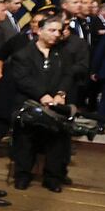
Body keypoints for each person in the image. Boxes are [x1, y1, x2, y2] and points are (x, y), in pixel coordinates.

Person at [9, 14, 75, 191]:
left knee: (56, 142)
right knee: (25, 142)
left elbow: (68, 75)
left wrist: (60, 93)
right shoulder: (23, 54)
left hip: (55, 105)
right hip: (30, 105)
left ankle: (52, 177)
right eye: (51, 30)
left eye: (58, 31)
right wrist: (42, 95)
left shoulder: (63, 54)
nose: (56, 34)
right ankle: (23, 175)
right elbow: (23, 79)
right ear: (39, 30)